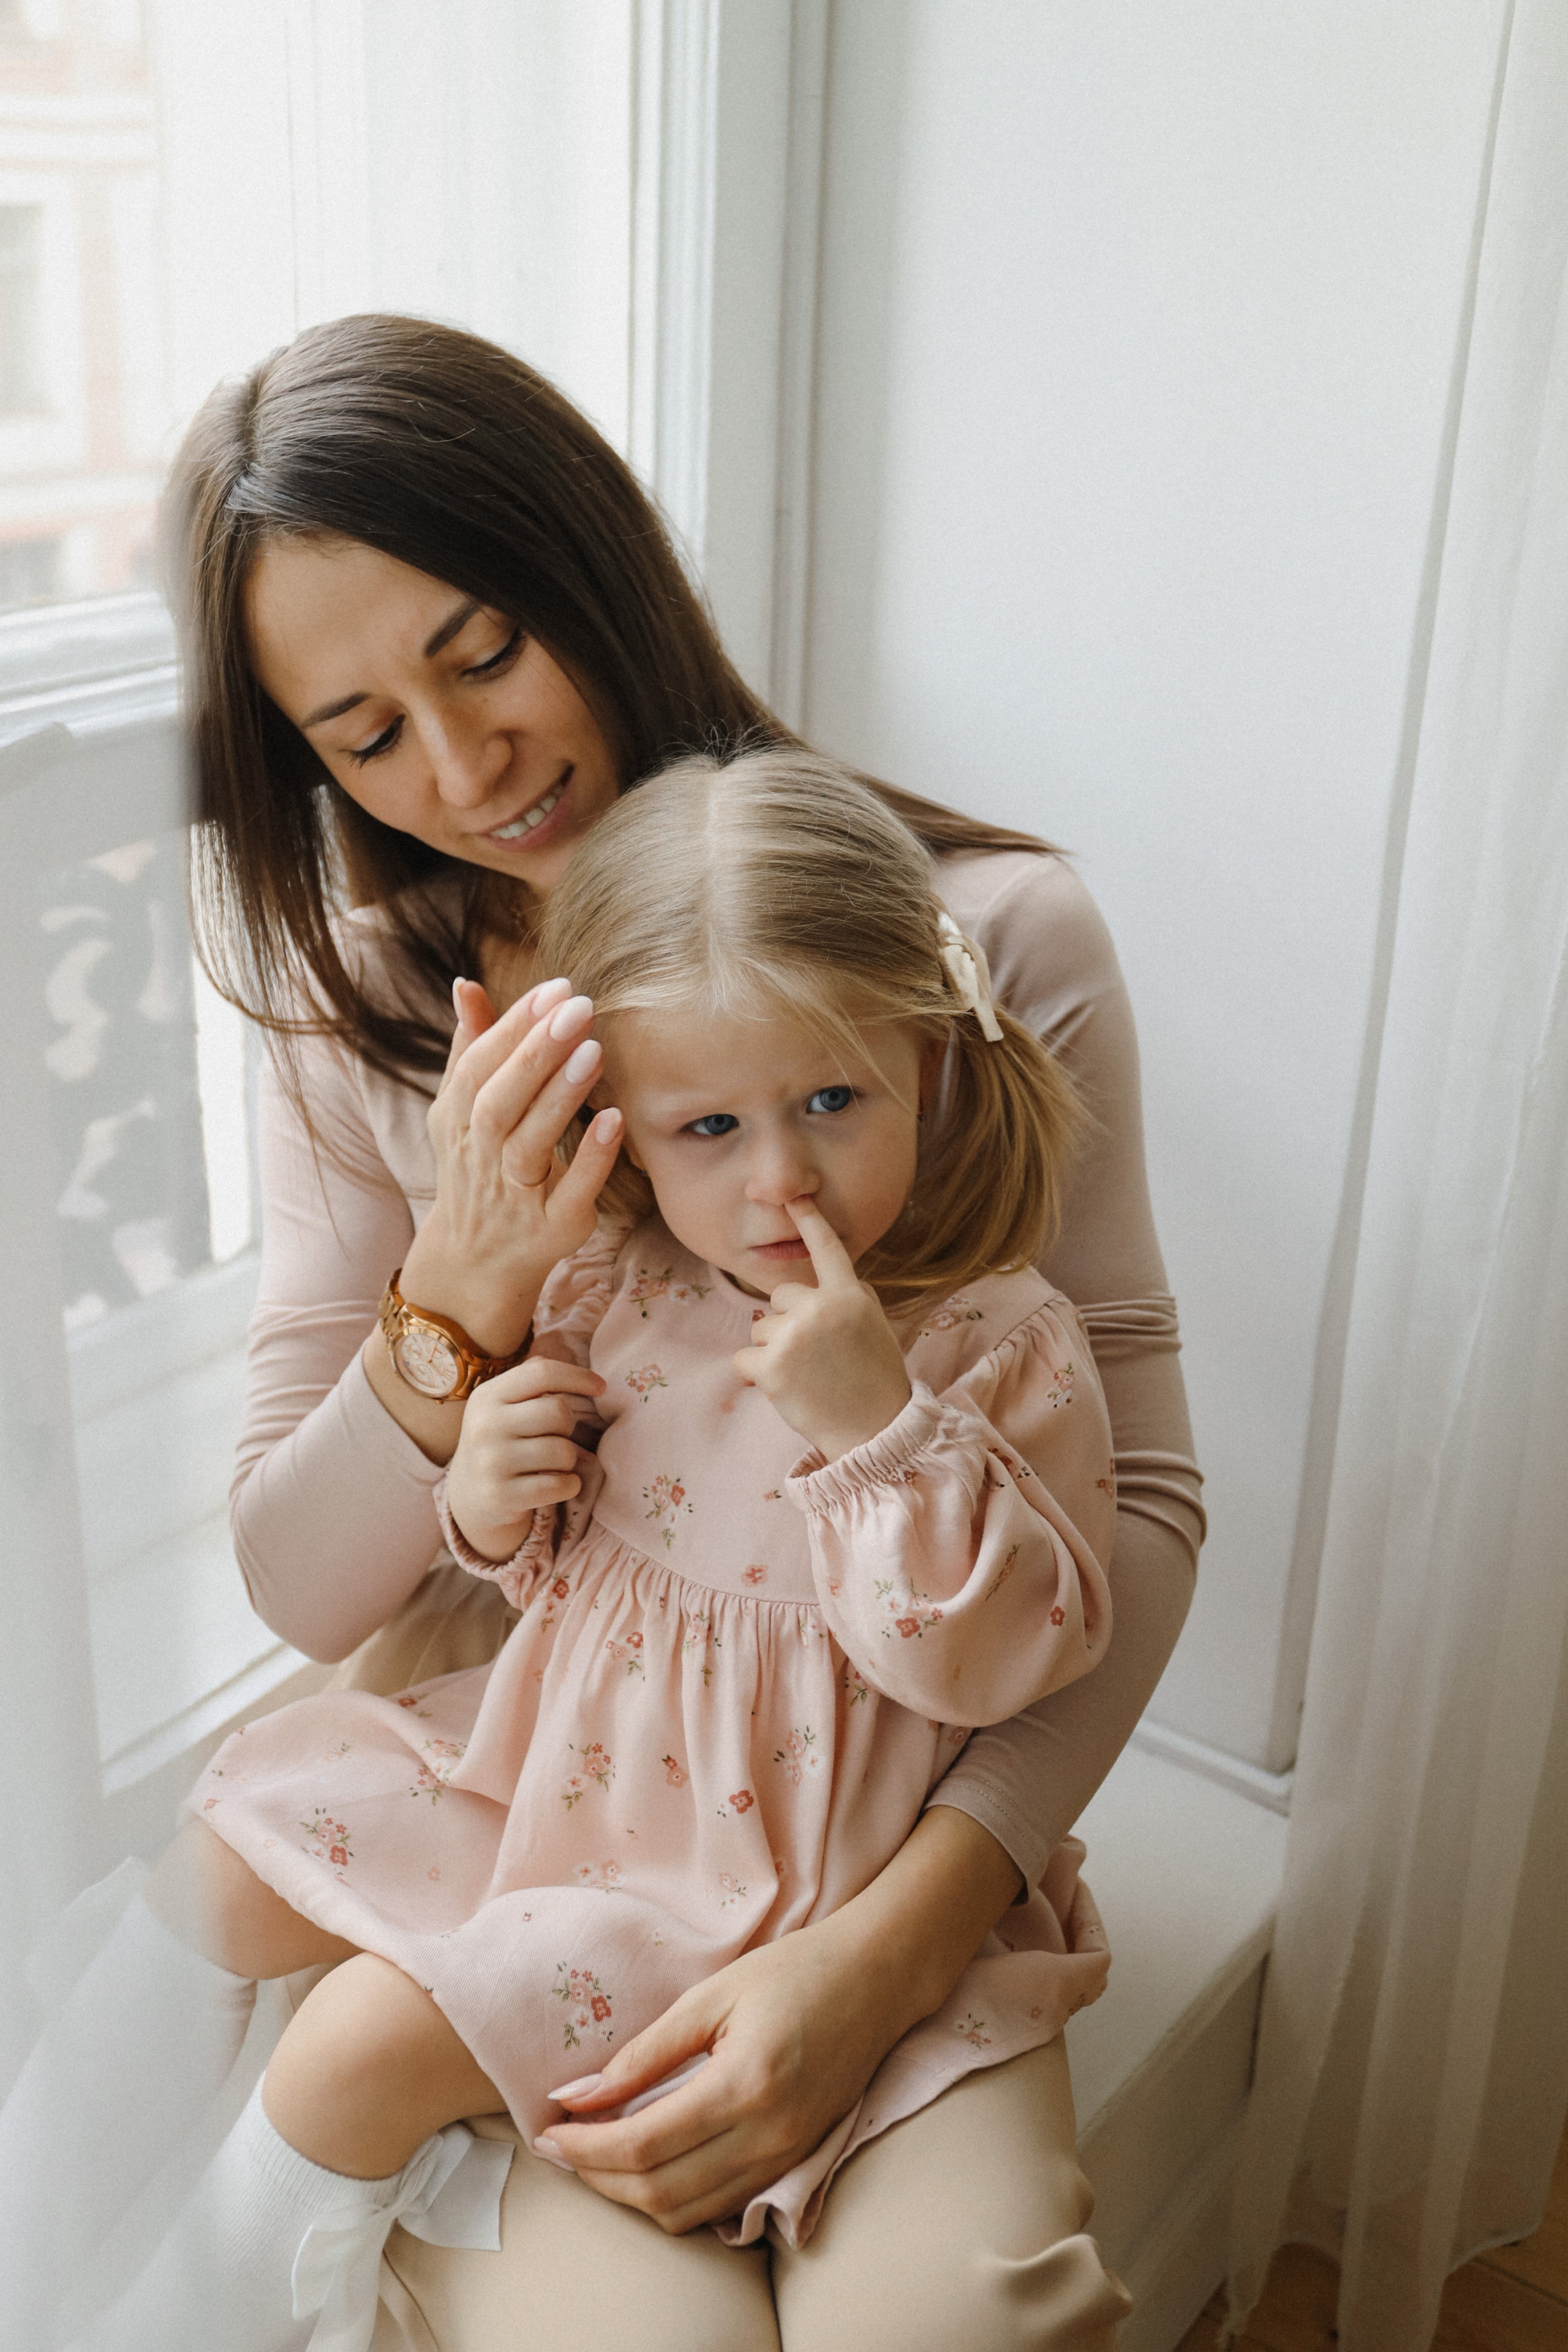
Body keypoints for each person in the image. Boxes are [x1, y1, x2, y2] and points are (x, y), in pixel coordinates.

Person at [2, 312, 1202, 2352]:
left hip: (879, 1822)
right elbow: (306, 1586)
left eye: (483, 651)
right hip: (532, 1800)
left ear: (597, 564)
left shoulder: (976, 947)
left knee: (961, 2326)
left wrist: (891, 1958)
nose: (468, 772)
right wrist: (458, 1292)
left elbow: (1133, 1516)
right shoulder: (367, 1021)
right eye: (366, 733)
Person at [61, 748, 1122, 2352]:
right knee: (224, 1846)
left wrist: (876, 1428)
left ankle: (163, 2323)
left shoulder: (1001, 1343)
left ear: (931, 1060)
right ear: (630, 1130)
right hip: (565, 1782)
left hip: (759, 1885)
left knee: (357, 2048)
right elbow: (549, 1568)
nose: (778, 1179)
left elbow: (991, 1661)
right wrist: (490, 1485)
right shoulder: (621, 1288)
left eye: (833, 1100)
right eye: (708, 1126)